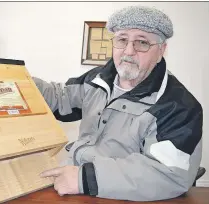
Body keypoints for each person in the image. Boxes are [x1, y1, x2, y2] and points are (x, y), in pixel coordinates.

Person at [34, 5, 203, 201]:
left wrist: (84, 178)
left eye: (142, 42)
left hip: (113, 194)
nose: (128, 51)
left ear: (161, 51)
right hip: (71, 177)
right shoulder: (98, 78)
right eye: (122, 40)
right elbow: (60, 98)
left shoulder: (178, 106)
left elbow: (168, 174)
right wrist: (18, 80)